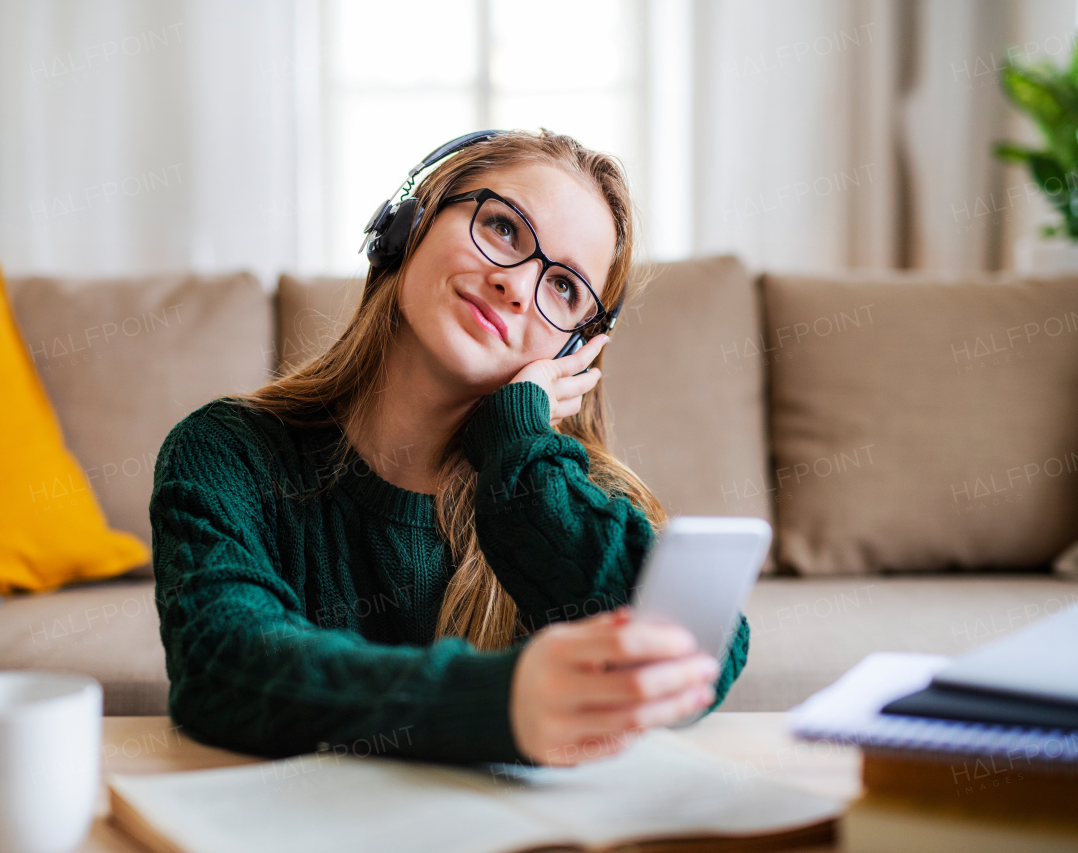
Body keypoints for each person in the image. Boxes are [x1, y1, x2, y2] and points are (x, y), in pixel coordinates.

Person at [149, 128, 750, 768]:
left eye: (566, 289)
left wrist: (519, 447)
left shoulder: (569, 490)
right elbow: (222, 661)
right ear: (412, 221)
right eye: (504, 228)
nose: (518, 286)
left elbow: (700, 655)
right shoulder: (223, 452)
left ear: (575, 350)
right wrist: (499, 702)